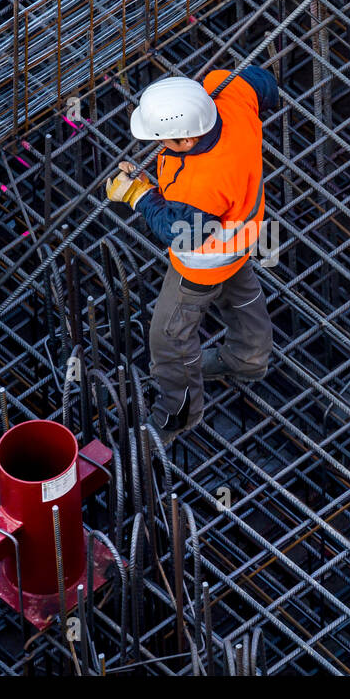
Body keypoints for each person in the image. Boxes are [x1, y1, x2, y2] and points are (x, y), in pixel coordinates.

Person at [105, 67, 277, 445]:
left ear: (188, 138)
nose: (160, 144)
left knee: (168, 337)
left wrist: (138, 196)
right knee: (242, 296)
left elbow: (178, 234)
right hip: (245, 233)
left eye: (165, 139)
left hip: (204, 261)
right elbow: (262, 82)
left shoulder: (205, 183)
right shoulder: (228, 95)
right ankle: (249, 360)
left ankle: (178, 416)